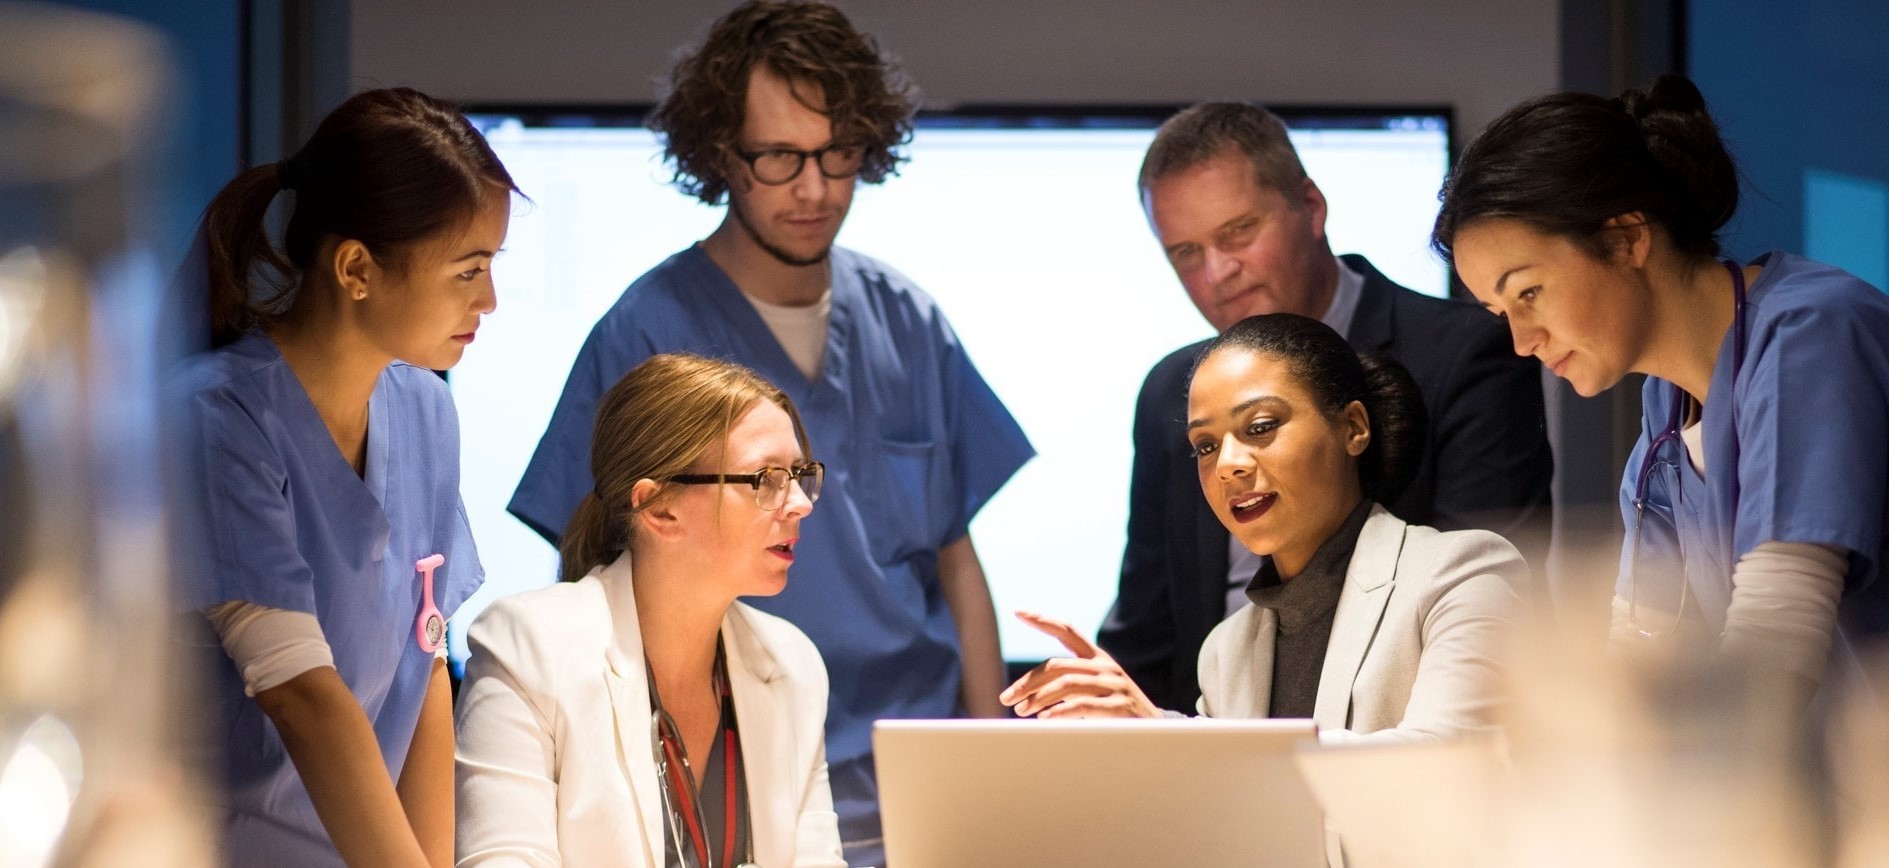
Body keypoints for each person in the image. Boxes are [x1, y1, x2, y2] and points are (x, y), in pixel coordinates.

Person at [506, 2, 1032, 860]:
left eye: (838, 155)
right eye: (781, 157)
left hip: (916, 784)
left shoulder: (907, 320)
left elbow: (954, 559)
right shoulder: (647, 332)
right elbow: (591, 570)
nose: (816, 189)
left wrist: (989, 772)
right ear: (721, 153)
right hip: (741, 776)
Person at [1432, 74, 1889, 693]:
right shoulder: (1666, 421)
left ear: (1627, 238)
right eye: (1500, 314)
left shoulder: (1813, 336)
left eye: (1530, 292)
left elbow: (1774, 640)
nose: (1521, 340)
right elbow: (1639, 650)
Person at [1098, 101, 1552, 713]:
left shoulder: (1461, 352)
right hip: (1209, 733)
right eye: (1185, 252)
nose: (1218, 272)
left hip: (1406, 718)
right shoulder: (1168, 392)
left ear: (1311, 208)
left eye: (1238, 232)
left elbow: (1483, 596)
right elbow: (1147, 628)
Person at [164, 87, 514, 866]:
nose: (489, 300)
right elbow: (302, 697)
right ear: (357, 267)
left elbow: (426, 669)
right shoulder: (218, 419)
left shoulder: (425, 409)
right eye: (467, 271)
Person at [1003, 313, 1530, 747]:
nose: (1228, 464)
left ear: (1353, 427)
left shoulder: (1462, 574)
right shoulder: (1225, 649)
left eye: (1259, 428)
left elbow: (1445, 765)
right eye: (1205, 446)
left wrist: (1168, 735)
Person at [456, 354, 844, 867]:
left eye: (799, 474)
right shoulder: (528, 649)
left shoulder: (793, 665)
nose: (800, 502)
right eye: (767, 478)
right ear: (660, 509)